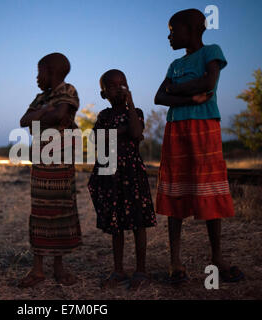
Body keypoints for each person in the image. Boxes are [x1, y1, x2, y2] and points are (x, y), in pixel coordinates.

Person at [154, 9, 244, 284]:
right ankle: (175, 262)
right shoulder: (173, 65)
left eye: (173, 30)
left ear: (192, 29)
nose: (169, 35)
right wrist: (191, 98)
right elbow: (159, 96)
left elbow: (209, 83)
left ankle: (217, 257)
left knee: (209, 186)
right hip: (176, 129)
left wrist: (176, 92)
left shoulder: (211, 52)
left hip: (205, 128)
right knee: (176, 189)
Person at [88, 69, 157, 289]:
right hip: (110, 174)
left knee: (138, 222)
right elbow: (97, 137)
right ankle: (118, 270)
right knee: (116, 223)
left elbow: (136, 134)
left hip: (132, 173)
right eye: (112, 86)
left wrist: (130, 106)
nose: (119, 89)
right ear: (103, 94)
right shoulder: (104, 115)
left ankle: (141, 270)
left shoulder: (135, 111)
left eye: (123, 84)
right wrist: (122, 130)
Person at [18, 52, 82, 288]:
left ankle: (58, 268)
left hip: (62, 165)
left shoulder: (68, 91)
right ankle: (37, 270)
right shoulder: (40, 97)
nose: (37, 78)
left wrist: (43, 113)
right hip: (41, 164)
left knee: (61, 212)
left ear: (51, 72)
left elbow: (60, 114)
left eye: (39, 72)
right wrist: (45, 113)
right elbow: (23, 121)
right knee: (40, 212)